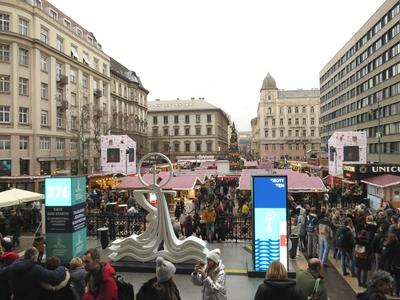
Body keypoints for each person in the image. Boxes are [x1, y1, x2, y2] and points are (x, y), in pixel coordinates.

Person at [0, 247, 65, 300]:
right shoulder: (36, 269)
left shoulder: (12, 267)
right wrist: (62, 268)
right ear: (34, 258)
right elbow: (54, 276)